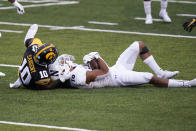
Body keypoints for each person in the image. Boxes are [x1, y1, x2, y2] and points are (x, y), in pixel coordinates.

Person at [49, 41, 196, 89]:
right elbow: (105, 73)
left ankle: (162, 72)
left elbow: (97, 70)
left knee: (138, 45)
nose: (64, 62)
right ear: (63, 72)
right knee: (148, 77)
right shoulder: (78, 77)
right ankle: (187, 84)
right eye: (61, 64)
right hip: (116, 77)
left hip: (115, 69)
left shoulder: (73, 72)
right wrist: (96, 57)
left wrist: (92, 62)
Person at [9, 24, 60, 89]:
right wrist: (60, 80)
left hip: (23, 72)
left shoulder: (31, 49)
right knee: (56, 75)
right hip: (30, 83)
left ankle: (27, 39)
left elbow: (31, 42)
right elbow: (46, 86)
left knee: (32, 41)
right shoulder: (41, 73)